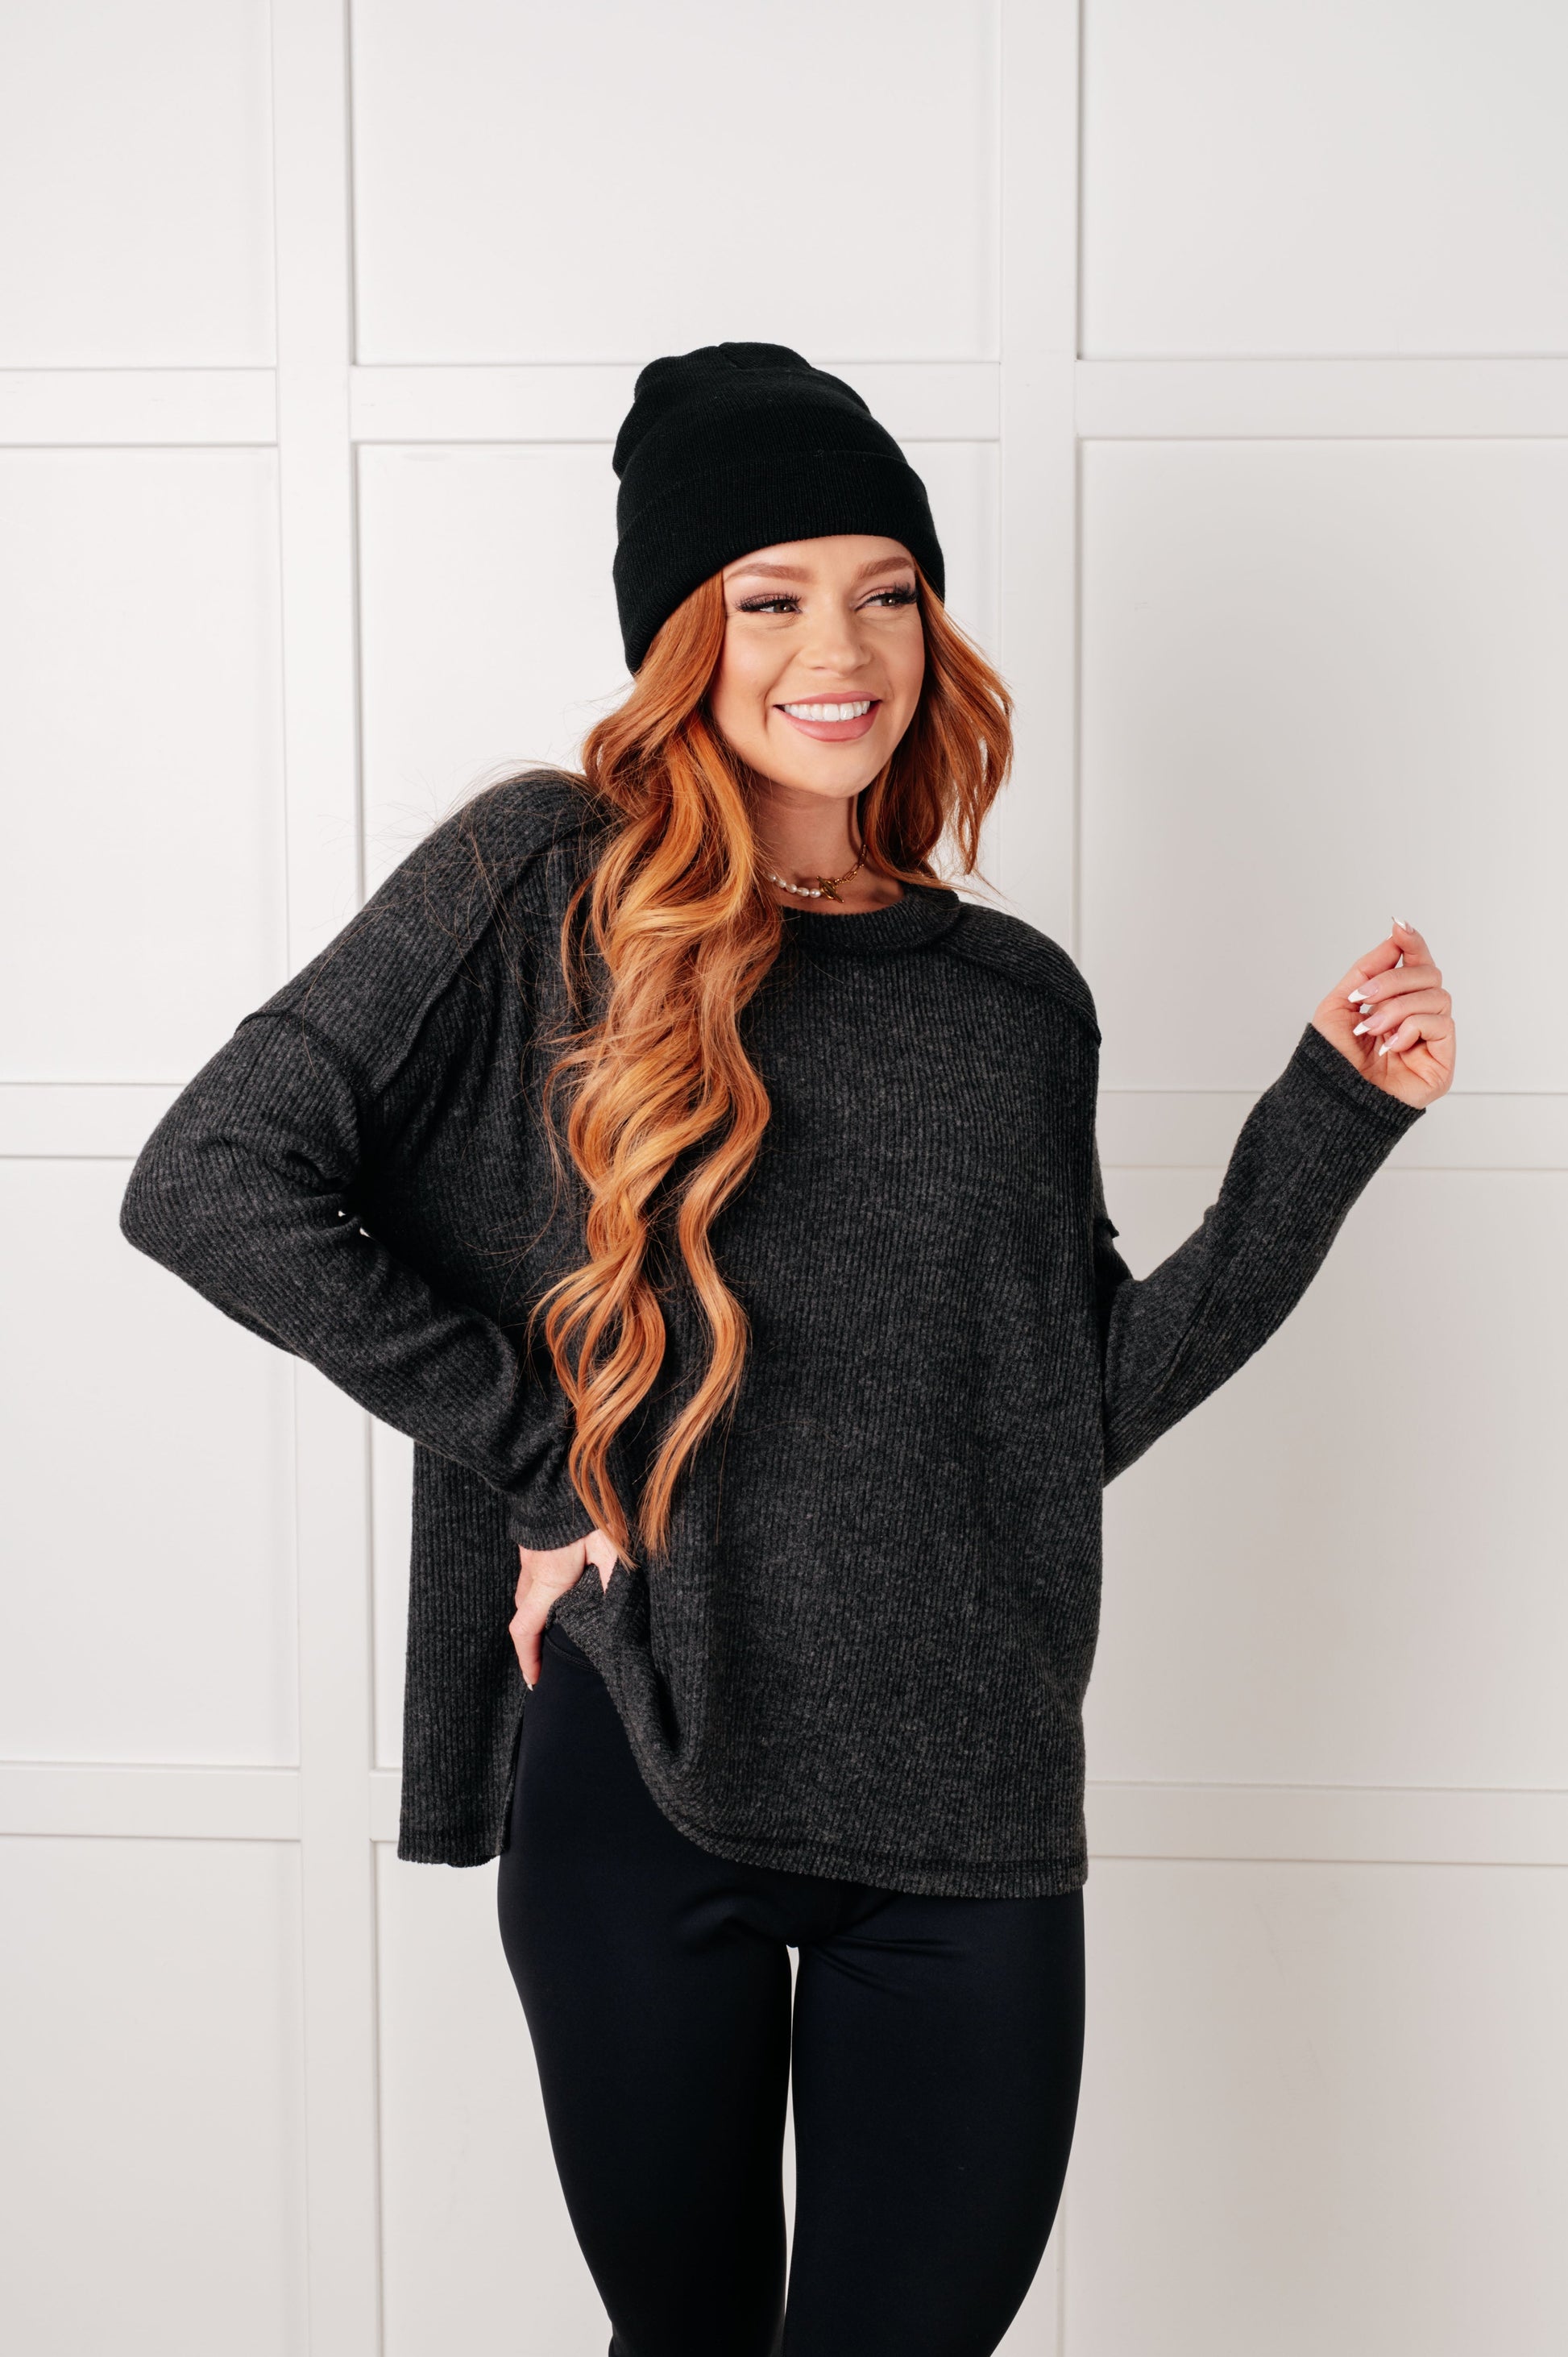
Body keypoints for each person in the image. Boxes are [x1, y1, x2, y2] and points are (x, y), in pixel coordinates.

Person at [120, 342, 1456, 2357]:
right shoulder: (538, 880)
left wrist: (1329, 1127)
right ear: (684, 635)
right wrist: (549, 1460)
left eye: (886, 589)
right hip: (648, 1767)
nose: (840, 647)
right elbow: (212, 1175)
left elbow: (1065, 1411)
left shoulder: (1011, 1001)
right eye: (769, 596)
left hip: (969, 1800)